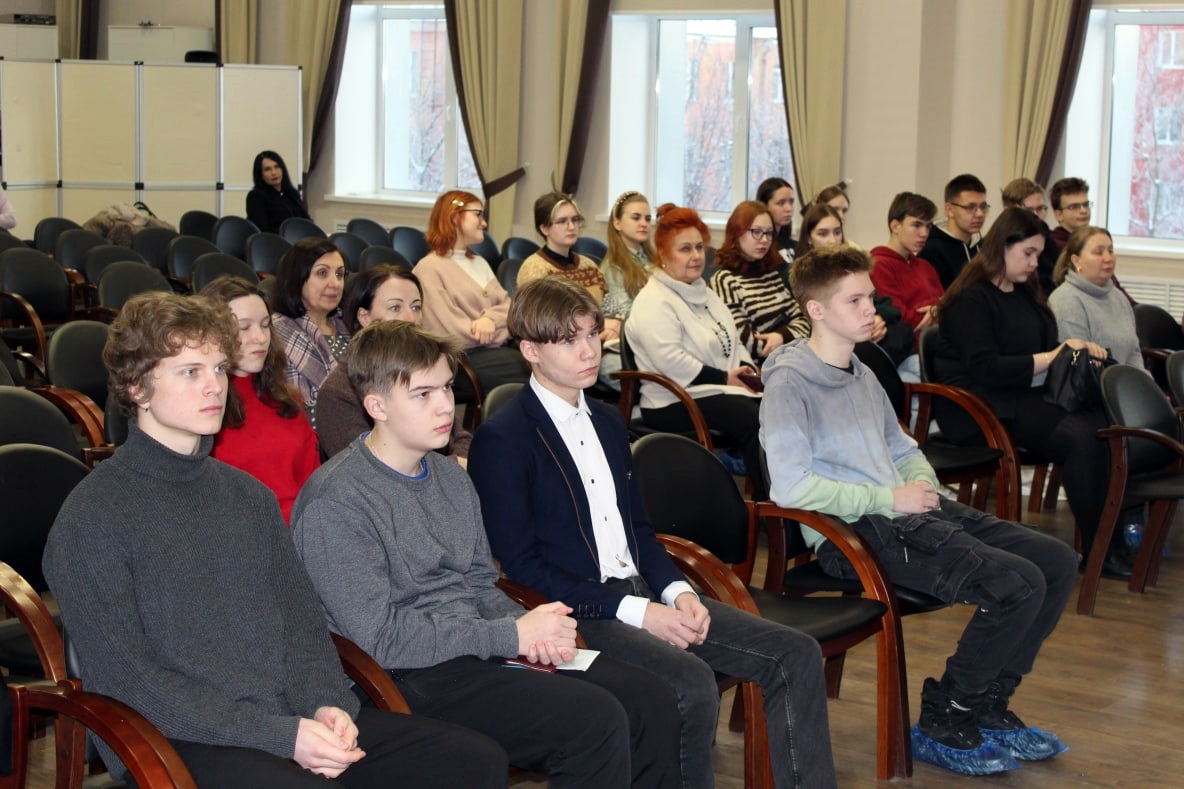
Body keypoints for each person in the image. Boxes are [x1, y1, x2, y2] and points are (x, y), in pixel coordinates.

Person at [42, 291, 506, 788]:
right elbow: (133, 684)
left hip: (286, 718)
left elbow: (303, 625)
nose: (214, 386)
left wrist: (326, 704)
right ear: (137, 387)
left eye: (219, 368)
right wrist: (282, 736)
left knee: (471, 760)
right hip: (179, 740)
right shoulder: (92, 518)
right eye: (190, 371)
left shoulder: (247, 496)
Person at [469, 277, 837, 789]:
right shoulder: (504, 438)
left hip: (643, 590)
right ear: (530, 350)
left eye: (592, 334)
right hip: (580, 610)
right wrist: (640, 612)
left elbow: (638, 529)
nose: (589, 350)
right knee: (690, 685)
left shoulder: (606, 419)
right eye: (569, 340)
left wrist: (678, 591)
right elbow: (522, 567)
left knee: (795, 653)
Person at [292, 319, 681, 788]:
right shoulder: (337, 501)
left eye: (446, 388)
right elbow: (381, 638)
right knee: (594, 719)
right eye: (422, 394)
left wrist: (533, 631)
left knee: (649, 696)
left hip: (475, 648)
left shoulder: (450, 476)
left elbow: (480, 583)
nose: (445, 406)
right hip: (406, 672)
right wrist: (509, 635)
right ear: (377, 406)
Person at [760, 244, 1075, 776]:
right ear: (816, 310)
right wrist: (890, 498)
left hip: (904, 512)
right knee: (1015, 584)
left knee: (1056, 561)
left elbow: (901, 446)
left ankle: (987, 704)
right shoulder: (790, 384)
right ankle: (946, 716)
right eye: (855, 300)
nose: (871, 309)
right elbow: (791, 488)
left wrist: (922, 484)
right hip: (852, 533)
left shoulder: (861, 370)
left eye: (871, 297)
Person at [932, 208, 1131, 577]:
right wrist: (1053, 356)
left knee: (1102, 424)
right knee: (1082, 437)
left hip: (1018, 396)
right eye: (1028, 253)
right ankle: (1100, 549)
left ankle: (1112, 540)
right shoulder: (971, 300)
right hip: (978, 407)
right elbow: (986, 368)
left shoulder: (1024, 293)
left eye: (1038, 254)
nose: (1035, 263)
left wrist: (1074, 352)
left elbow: (1043, 350)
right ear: (1001, 247)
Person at [624, 203, 767, 499]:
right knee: (753, 418)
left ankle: (782, 502)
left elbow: (733, 339)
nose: (696, 256)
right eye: (685, 249)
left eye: (699, 247)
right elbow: (670, 361)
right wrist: (726, 378)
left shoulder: (705, 292)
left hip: (714, 390)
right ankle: (772, 511)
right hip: (671, 401)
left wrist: (747, 371)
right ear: (663, 254)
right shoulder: (654, 300)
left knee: (777, 408)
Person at [316, 264, 472, 460]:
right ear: (364, 317)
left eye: (416, 307)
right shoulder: (338, 392)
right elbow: (367, 468)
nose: (411, 318)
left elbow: (462, 438)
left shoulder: (427, 372)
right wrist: (455, 466)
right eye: (395, 307)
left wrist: (459, 465)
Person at [202, 276, 320, 524]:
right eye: (244, 327)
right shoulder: (204, 406)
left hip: (304, 527)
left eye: (265, 325)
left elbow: (313, 484)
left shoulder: (288, 399)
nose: (260, 337)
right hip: (240, 533)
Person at [415, 190, 530, 397]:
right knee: (536, 369)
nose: (484, 223)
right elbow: (450, 334)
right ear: (454, 216)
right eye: (477, 214)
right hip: (461, 361)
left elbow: (510, 308)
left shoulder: (479, 262)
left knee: (546, 360)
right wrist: (502, 331)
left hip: (495, 351)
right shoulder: (428, 269)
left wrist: (490, 320)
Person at [797, 204, 913, 365]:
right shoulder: (801, 276)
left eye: (837, 232)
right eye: (823, 234)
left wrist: (878, 318)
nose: (832, 240)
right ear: (809, 238)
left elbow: (887, 306)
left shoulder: (851, 269)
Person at [709, 200, 810, 362]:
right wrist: (788, 333)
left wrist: (780, 336)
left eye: (769, 233)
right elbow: (746, 341)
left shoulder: (770, 274)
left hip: (791, 358)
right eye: (756, 232)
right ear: (737, 233)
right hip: (761, 367)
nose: (764, 240)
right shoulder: (724, 280)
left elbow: (805, 320)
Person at [270, 237, 349, 428]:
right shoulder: (277, 332)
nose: (335, 283)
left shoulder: (348, 326)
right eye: (322, 273)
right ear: (297, 278)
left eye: (339, 274)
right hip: (305, 433)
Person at [1048, 226, 1142, 368]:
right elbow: (1078, 364)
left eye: (1110, 251)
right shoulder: (1065, 300)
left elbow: (1134, 352)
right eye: (1098, 252)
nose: (1108, 258)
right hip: (1093, 380)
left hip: (1124, 380)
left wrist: (1142, 380)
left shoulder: (1117, 296)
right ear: (1077, 261)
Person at [600, 190, 656, 389]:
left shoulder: (654, 259)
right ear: (617, 223)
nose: (644, 223)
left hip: (655, 337)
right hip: (631, 343)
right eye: (636, 217)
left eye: (647, 218)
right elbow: (626, 315)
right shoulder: (612, 267)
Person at [868, 192, 944, 334]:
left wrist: (938, 310)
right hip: (910, 344)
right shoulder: (879, 265)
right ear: (895, 226)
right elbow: (898, 318)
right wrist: (935, 312)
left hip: (938, 340)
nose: (924, 233)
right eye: (917, 225)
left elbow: (945, 306)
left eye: (928, 226)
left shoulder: (926, 266)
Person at [518, 192, 608, 304]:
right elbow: (533, 313)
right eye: (562, 221)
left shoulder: (589, 266)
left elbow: (611, 307)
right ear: (544, 229)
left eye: (575, 219)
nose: (571, 227)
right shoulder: (534, 269)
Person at [922, 174, 989, 289]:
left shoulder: (984, 247)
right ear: (950, 210)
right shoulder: (932, 251)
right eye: (970, 207)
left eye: (983, 207)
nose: (980, 214)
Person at [1000, 178, 1057, 295]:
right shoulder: (997, 242)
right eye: (1029, 210)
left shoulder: (1049, 241)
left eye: (1040, 209)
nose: (1036, 215)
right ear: (1008, 210)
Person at [246, 150, 311, 234]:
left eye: (277, 167)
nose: (274, 173)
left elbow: (307, 220)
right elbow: (261, 229)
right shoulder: (256, 196)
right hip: (275, 240)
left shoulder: (292, 194)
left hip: (300, 238)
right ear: (260, 174)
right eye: (267, 169)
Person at [756, 176, 796, 263]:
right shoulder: (759, 247)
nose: (789, 208)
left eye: (791, 202)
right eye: (781, 203)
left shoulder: (795, 246)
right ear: (764, 205)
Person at [1048, 177, 1092, 250]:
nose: (1084, 211)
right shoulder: (1055, 247)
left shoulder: (1092, 240)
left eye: (1086, 204)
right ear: (1059, 215)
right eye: (1074, 207)